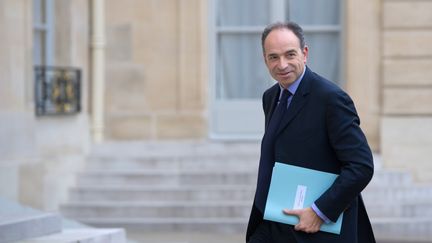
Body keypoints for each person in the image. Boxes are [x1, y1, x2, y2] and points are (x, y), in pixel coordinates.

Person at [246, 21, 376, 243]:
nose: (282, 64)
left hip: (317, 229)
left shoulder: (331, 99)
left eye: (290, 54)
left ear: (305, 53)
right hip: (272, 223)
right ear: (264, 59)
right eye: (273, 57)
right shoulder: (271, 97)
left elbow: (361, 166)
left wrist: (318, 212)